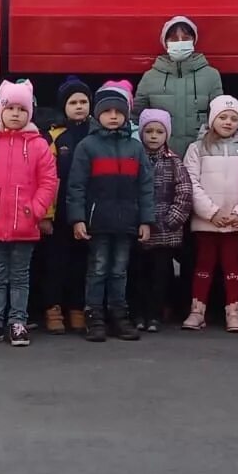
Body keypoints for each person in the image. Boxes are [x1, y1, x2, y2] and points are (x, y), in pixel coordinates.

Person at [0, 81, 58, 347]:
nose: (15, 113)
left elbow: (49, 181)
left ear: (30, 113)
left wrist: (36, 210)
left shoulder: (38, 145)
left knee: (19, 276)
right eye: (10, 107)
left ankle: (17, 321)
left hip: (25, 225)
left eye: (21, 108)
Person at [66, 81, 155, 343]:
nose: (113, 116)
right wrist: (78, 219)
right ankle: (94, 317)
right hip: (98, 223)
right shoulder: (87, 146)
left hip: (127, 222)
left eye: (119, 112)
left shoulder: (135, 148)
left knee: (119, 270)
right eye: (108, 112)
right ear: (98, 115)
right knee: (98, 269)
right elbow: (76, 186)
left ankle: (119, 314)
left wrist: (146, 220)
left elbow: (146, 186)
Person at [182, 95, 238, 333]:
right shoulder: (197, 148)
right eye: (223, 117)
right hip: (206, 223)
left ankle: (233, 312)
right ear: (212, 119)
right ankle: (197, 311)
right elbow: (190, 182)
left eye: (234, 118)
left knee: (233, 268)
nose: (228, 122)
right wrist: (211, 213)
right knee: (203, 265)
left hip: (235, 223)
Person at [40, 76, 94, 334]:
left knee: (80, 263)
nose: (79, 106)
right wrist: (47, 215)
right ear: (64, 106)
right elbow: (47, 178)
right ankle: (52, 308)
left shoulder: (96, 134)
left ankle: (77, 308)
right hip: (60, 213)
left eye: (84, 101)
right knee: (55, 263)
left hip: (85, 213)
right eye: (73, 102)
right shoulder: (54, 137)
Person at [134, 108, 193, 332]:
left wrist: (172, 220)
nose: (154, 136)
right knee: (138, 274)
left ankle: (155, 314)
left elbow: (184, 192)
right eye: (149, 131)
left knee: (160, 276)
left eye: (159, 131)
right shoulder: (135, 158)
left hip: (165, 232)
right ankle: (138, 313)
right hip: (139, 229)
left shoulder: (174, 162)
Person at [133, 16, 224, 157]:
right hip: (160, 158)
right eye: (174, 39)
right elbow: (136, 118)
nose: (180, 43)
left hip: (200, 156)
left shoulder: (211, 76)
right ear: (166, 43)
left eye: (186, 37)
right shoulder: (149, 77)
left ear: (194, 41)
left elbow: (220, 116)